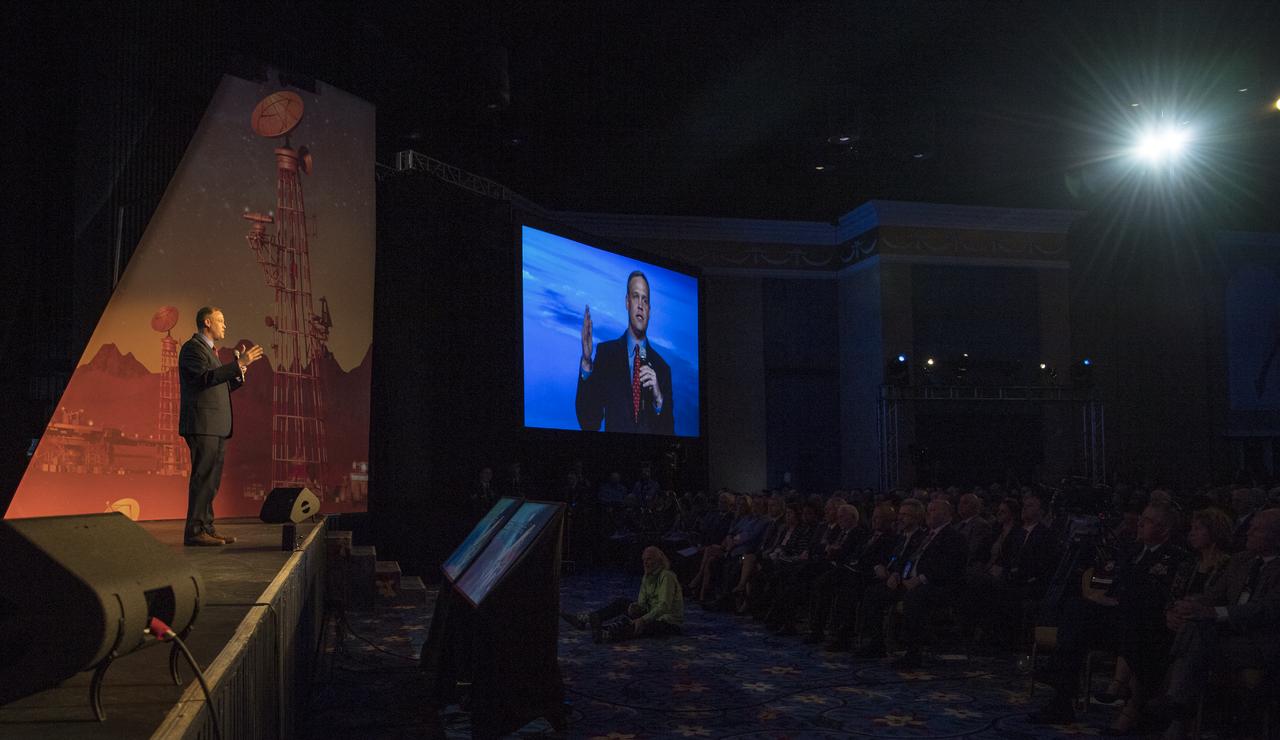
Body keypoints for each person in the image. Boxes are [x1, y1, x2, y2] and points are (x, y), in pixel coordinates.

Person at [178, 306, 262, 546]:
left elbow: (218, 385)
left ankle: (207, 528)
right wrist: (236, 365)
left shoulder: (210, 352)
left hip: (215, 426)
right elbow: (203, 379)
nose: (224, 325)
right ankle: (194, 532)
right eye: (220, 320)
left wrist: (238, 371)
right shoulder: (192, 349)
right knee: (203, 477)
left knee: (211, 480)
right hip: (202, 424)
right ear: (207, 322)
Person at [576, 271, 674, 434]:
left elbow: (670, 435)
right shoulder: (607, 354)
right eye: (636, 297)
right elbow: (589, 422)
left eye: (645, 300)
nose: (640, 305)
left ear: (649, 310)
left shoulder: (662, 369)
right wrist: (586, 362)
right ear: (627, 302)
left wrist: (658, 399)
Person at [563, 546, 684, 642]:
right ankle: (588, 618)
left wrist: (643, 619)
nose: (645, 563)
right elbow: (643, 603)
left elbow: (664, 606)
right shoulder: (647, 576)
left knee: (644, 626)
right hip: (654, 614)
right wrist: (635, 608)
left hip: (668, 621)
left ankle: (608, 634)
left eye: (649, 559)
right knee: (623, 603)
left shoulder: (666, 576)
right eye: (644, 560)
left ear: (658, 560)